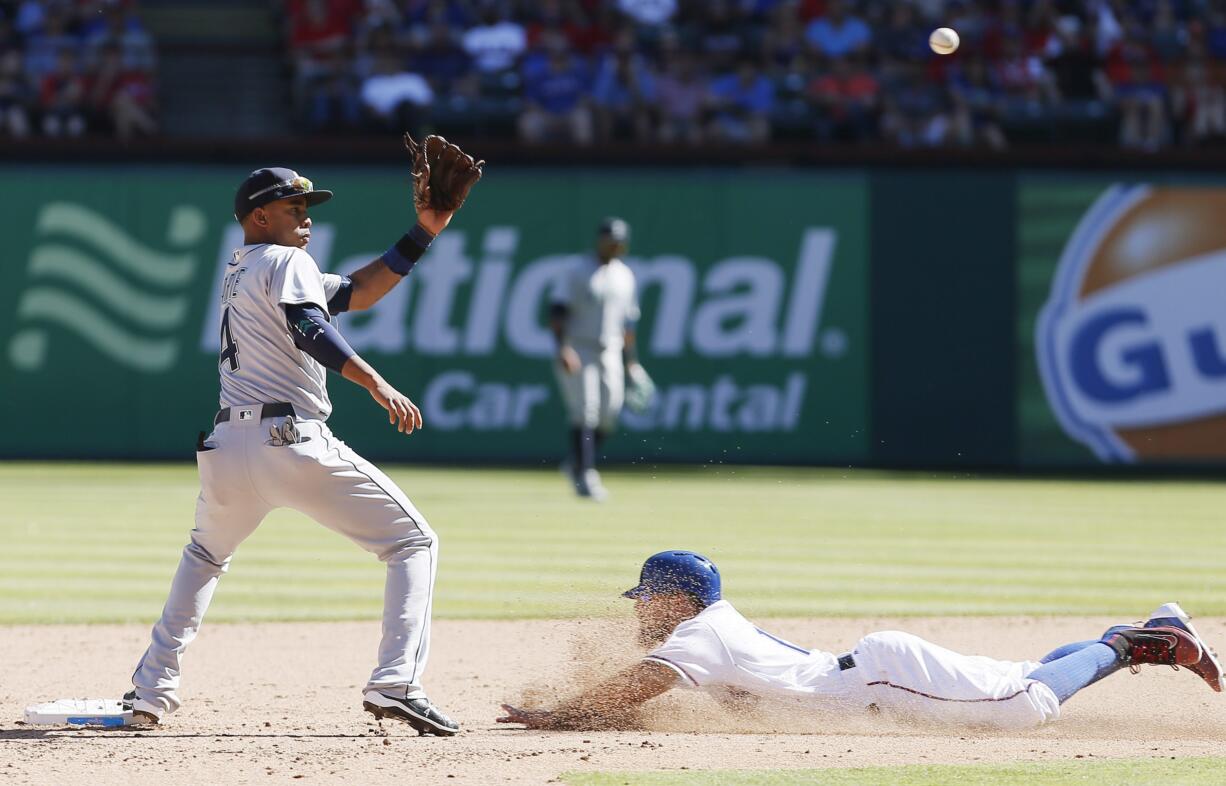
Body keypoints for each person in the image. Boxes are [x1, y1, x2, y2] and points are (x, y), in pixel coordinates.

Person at [125, 160, 477, 736]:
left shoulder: (243, 266)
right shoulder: (286, 261)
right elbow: (309, 327)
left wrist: (425, 232)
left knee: (205, 557)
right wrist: (375, 381)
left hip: (225, 446)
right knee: (414, 542)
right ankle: (396, 682)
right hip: (289, 441)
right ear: (260, 216)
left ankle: (150, 689)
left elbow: (358, 292)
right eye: (295, 209)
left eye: (308, 209)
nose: (306, 220)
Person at [498, 551, 1222, 731]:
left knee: (1025, 708)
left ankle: (1138, 643)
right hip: (877, 674)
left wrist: (560, 714)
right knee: (1027, 674)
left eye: (647, 596)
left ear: (678, 599)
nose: (639, 611)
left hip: (879, 678)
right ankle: (1132, 632)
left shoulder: (700, 633)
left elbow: (640, 685)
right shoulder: (711, 630)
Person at [549, 218, 644, 501]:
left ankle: (576, 462)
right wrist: (563, 348)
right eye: (609, 240)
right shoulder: (577, 270)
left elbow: (628, 326)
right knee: (586, 410)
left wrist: (632, 362)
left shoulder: (625, 275)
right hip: (580, 347)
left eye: (618, 241)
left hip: (611, 350)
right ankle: (586, 474)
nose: (613, 245)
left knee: (609, 413)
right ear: (599, 240)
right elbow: (557, 312)